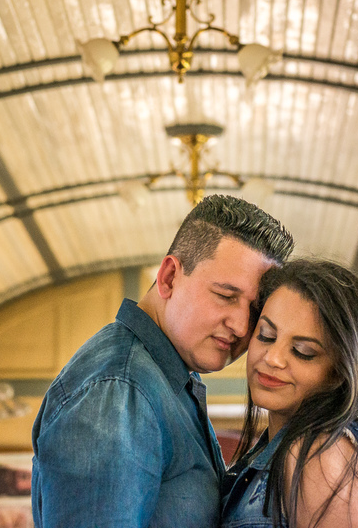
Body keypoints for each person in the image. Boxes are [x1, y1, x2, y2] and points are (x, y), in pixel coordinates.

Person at [31, 195, 294, 528]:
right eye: (226, 296)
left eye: (255, 310)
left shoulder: (161, 380)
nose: (242, 326)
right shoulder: (118, 392)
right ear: (169, 276)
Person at [222, 260, 358, 528]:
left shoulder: (322, 456)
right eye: (266, 335)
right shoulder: (293, 450)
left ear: (339, 372)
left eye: (303, 351)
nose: (272, 358)